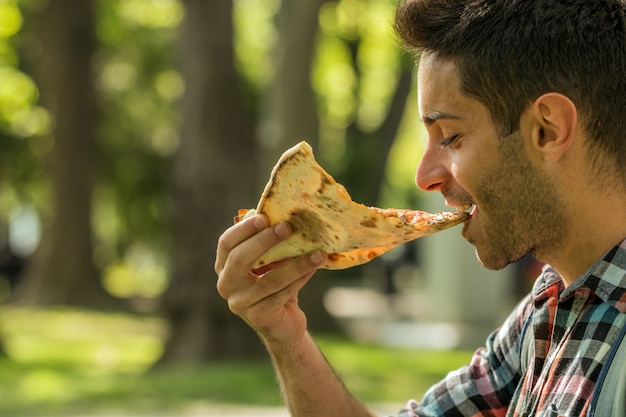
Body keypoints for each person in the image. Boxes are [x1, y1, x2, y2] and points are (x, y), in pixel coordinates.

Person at [215, 0, 626, 415]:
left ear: (547, 130)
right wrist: (284, 334)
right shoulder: (546, 313)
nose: (424, 176)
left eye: (450, 136)